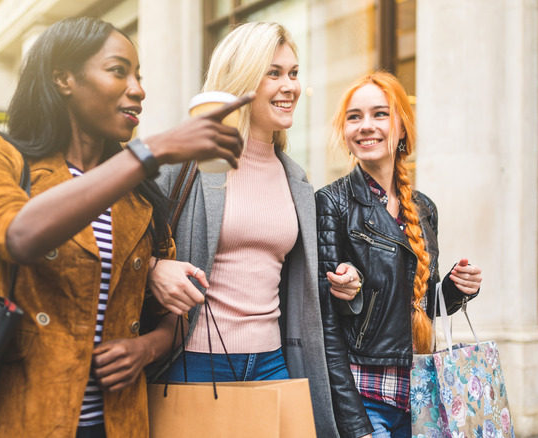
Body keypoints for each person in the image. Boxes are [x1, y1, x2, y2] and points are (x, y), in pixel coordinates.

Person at [0, 17, 252, 438]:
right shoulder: (0, 157)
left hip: (119, 422)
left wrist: (145, 348)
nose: (138, 89)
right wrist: (150, 151)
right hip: (27, 419)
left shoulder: (138, 193)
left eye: (139, 76)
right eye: (119, 71)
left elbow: (176, 318)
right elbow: (17, 235)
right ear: (63, 78)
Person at [153, 22, 339, 437]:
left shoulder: (297, 179)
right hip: (195, 361)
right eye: (273, 73)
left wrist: (347, 283)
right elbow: (119, 242)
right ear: (239, 81)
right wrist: (152, 268)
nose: (290, 85)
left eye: (293, 72)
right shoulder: (186, 165)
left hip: (273, 360)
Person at [315, 71, 484, 438]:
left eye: (380, 113)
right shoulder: (332, 203)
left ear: (402, 128)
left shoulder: (424, 208)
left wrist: (456, 289)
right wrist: (355, 424)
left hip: (422, 393)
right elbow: (326, 325)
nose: (366, 126)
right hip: (365, 396)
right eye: (354, 116)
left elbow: (420, 304)